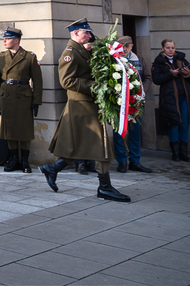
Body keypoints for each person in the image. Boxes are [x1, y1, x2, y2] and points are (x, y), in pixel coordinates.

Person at [39, 18, 130, 202]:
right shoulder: (70, 53)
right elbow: (67, 81)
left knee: (83, 145)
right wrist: (96, 85)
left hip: (87, 105)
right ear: (75, 33)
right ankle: (104, 187)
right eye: (86, 32)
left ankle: (53, 168)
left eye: (89, 32)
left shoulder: (83, 50)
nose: (89, 36)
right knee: (101, 143)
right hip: (81, 105)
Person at [0, 27, 43, 174]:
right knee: (9, 129)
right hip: (6, 97)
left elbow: (38, 82)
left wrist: (36, 101)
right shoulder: (1, 57)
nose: (4, 41)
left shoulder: (29, 57)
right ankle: (14, 159)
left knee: (25, 129)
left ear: (16, 40)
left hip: (24, 98)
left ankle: (25, 160)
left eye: (7, 39)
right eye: (4, 38)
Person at [152, 38, 190, 163]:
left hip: (184, 97)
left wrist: (188, 73)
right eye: (168, 48)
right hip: (169, 99)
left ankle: (184, 153)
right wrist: (170, 73)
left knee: (184, 124)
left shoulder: (182, 59)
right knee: (173, 123)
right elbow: (156, 79)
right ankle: (175, 154)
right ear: (163, 48)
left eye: (172, 48)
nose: (170, 50)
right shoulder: (159, 62)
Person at [112, 36, 153, 173]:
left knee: (135, 132)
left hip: (136, 102)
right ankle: (122, 161)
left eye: (127, 46)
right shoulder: (113, 59)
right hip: (120, 103)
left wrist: (142, 92)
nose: (124, 49)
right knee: (119, 132)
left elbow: (147, 77)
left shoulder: (139, 59)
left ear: (132, 46)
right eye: (121, 46)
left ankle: (135, 161)